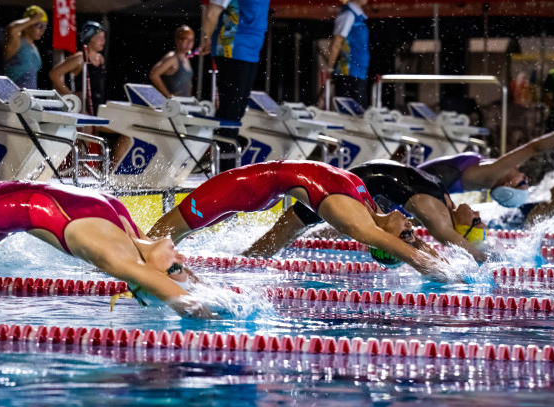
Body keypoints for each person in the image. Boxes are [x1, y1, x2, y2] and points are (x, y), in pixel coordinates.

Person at [0, 180, 219, 319]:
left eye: (174, 267)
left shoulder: (119, 248)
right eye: (179, 266)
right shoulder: (125, 240)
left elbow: (179, 292)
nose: (180, 257)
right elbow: (185, 295)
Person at [148, 160, 450, 280]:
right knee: (163, 239)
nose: (412, 227)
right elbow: (406, 245)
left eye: (407, 234)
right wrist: (446, 262)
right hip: (255, 189)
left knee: (156, 237)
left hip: (242, 186)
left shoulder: (357, 223)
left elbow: (402, 250)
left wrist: (450, 278)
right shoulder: (370, 210)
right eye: (412, 232)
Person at [245, 159, 488, 264]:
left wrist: (484, 262)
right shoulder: (444, 202)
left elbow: (443, 242)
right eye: (479, 219)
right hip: (352, 186)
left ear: (461, 229)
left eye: (475, 221)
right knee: (287, 228)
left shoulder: (438, 216)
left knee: (288, 228)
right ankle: (246, 257)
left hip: (345, 190)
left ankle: (245, 260)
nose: (477, 213)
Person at [417, 122, 554, 208]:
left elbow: (534, 148)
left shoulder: (489, 176)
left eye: (522, 183)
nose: (525, 178)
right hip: (407, 186)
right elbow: (534, 148)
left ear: (508, 185)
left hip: (401, 193)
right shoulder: (495, 174)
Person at [200, 0, 270, 170]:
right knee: (229, 111)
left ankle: (227, 164)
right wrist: (206, 38)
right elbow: (211, 13)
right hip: (231, 48)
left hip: (251, 51)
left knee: (238, 111)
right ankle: (224, 167)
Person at [48, 21, 106, 114]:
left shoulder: (100, 59)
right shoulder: (80, 58)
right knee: (87, 128)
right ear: (90, 38)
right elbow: (54, 74)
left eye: (104, 38)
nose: (103, 41)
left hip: (97, 105)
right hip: (82, 107)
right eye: (99, 38)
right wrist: (71, 95)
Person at [326, 0, 370, 107]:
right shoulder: (348, 15)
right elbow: (336, 44)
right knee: (349, 114)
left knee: (358, 113)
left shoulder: (358, 16)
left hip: (359, 72)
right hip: (348, 73)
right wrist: (330, 68)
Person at [4, 5, 48, 89]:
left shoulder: (34, 47)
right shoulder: (16, 43)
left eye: (44, 27)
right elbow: (12, 29)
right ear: (27, 25)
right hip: (12, 97)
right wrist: (32, 19)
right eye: (39, 26)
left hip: (28, 97)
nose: (42, 30)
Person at [150, 25, 195, 98]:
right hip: (174, 106)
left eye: (191, 40)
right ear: (178, 40)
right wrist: (168, 96)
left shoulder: (186, 58)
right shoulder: (172, 58)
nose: (189, 44)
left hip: (185, 104)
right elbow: (153, 75)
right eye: (186, 40)